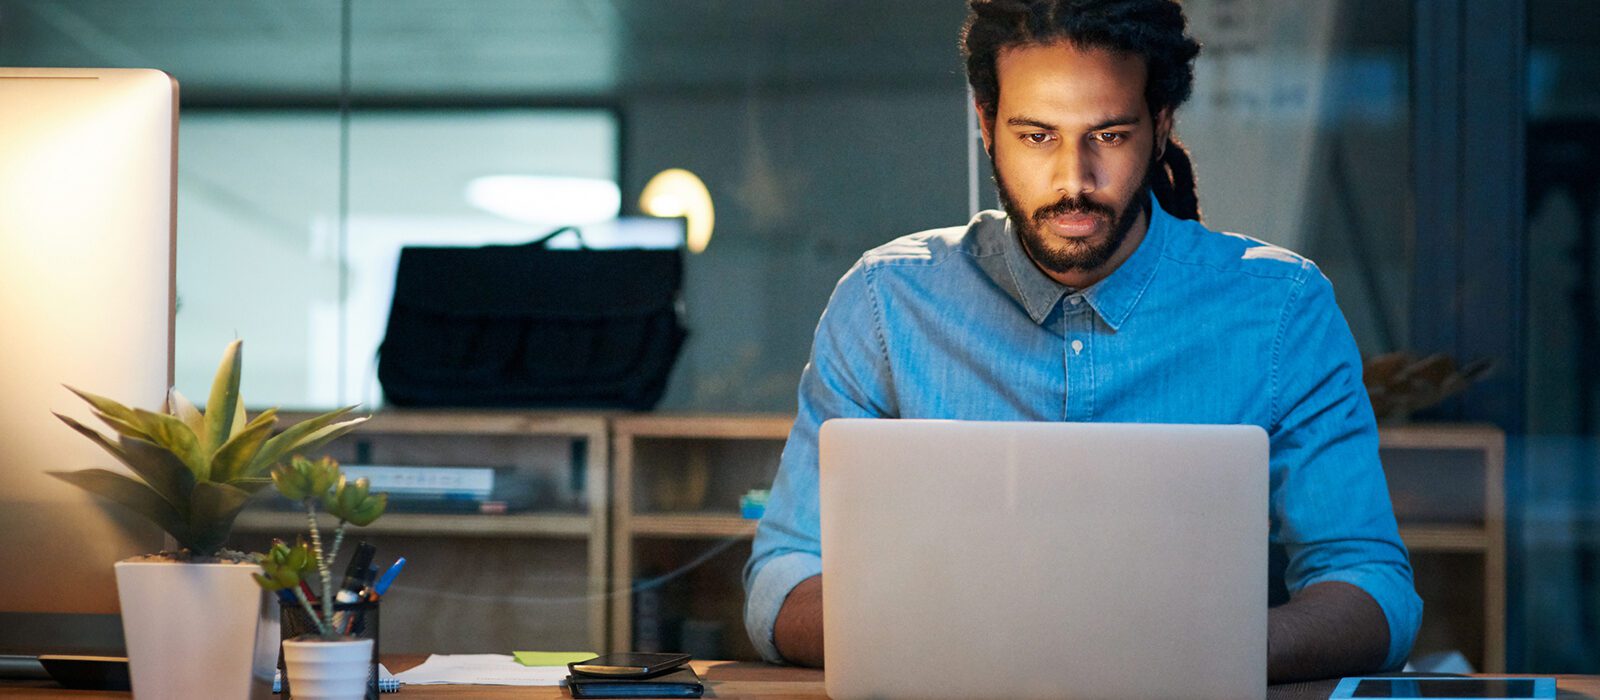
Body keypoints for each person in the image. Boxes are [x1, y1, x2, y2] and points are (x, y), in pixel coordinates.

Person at [741, 0, 1422, 684]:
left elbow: (1371, 585)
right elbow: (783, 577)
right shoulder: (885, 305)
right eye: (1037, 136)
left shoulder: (1282, 310)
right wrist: (955, 639)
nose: (1074, 179)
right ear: (986, 125)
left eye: (1110, 135)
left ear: (1160, 128)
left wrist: (1222, 650)